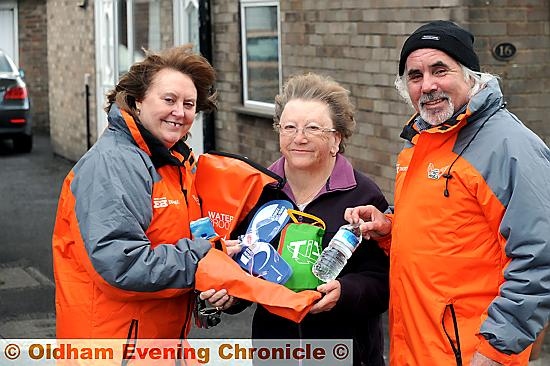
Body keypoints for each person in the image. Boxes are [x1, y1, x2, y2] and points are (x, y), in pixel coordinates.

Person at [345, 20, 550, 366]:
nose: (428, 86)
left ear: (471, 75)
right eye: (415, 75)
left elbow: (539, 257)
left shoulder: (508, 146)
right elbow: (451, 237)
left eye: (440, 70)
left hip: (472, 355)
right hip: (416, 348)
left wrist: (496, 350)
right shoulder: (423, 143)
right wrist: (391, 229)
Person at [52, 45, 236, 339]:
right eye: (169, 99)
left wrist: (210, 283)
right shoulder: (113, 163)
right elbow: (121, 265)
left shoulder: (171, 162)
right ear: (137, 101)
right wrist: (207, 259)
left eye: (189, 104)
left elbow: (174, 244)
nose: (180, 112)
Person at [227, 73, 390, 366]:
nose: (299, 138)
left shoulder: (363, 196)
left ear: (335, 139)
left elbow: (383, 282)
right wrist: (230, 297)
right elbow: (242, 266)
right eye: (289, 127)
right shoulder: (259, 191)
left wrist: (346, 292)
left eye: (313, 128)